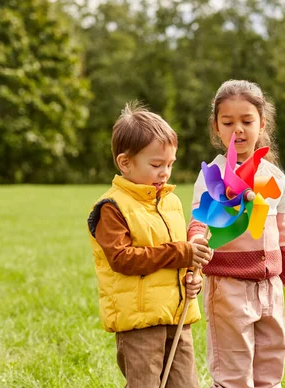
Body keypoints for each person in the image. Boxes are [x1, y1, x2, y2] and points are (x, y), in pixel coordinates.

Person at [187, 79, 285, 388]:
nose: (237, 129)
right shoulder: (211, 177)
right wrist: (196, 243)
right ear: (216, 127)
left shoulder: (274, 178)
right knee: (233, 373)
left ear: (262, 123)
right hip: (228, 286)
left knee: (270, 368)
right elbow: (199, 222)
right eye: (228, 122)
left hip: (270, 287)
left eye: (247, 121)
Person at [86, 102, 212, 388]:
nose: (165, 172)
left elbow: (184, 254)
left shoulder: (171, 202)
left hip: (177, 318)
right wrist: (183, 253)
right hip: (140, 324)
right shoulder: (111, 207)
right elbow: (123, 259)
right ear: (125, 162)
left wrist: (195, 277)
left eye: (170, 164)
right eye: (156, 165)